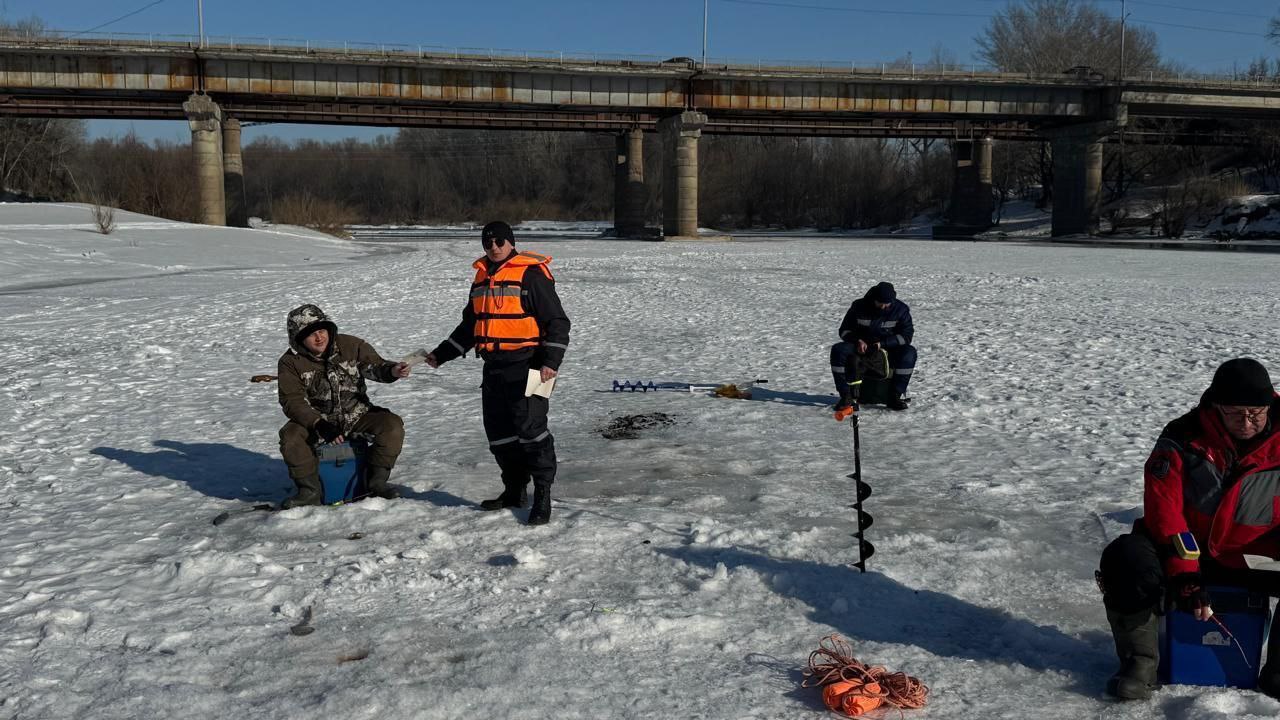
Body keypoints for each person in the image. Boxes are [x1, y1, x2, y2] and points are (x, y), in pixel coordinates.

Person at [1096, 358, 1280, 700]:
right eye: (1235, 412)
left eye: (1256, 412)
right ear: (1216, 406)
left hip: (1253, 558)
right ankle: (1140, 665)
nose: (1246, 422)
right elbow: (1165, 513)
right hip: (1186, 553)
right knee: (1126, 557)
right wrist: (1186, 575)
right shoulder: (1182, 437)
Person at [425, 221, 570, 526]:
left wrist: (550, 363)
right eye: (487, 242)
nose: (493, 246)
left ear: (511, 241)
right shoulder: (481, 279)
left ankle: (542, 494)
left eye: (499, 241)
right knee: (500, 434)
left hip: (531, 366)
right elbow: (470, 328)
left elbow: (558, 323)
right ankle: (514, 490)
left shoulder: (531, 273)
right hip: (494, 368)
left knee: (532, 431)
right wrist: (441, 355)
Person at [277, 304, 410, 508]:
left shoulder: (351, 345)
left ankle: (376, 481)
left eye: (322, 331)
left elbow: (375, 366)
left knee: (391, 426)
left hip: (357, 414)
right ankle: (309, 491)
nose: (319, 338)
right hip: (317, 420)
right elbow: (291, 401)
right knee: (291, 437)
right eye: (311, 335)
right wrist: (318, 423)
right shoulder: (290, 363)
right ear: (299, 339)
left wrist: (392, 371)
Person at [829, 281, 916, 419]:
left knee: (909, 353)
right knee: (838, 350)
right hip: (860, 347)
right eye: (880, 302)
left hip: (888, 349)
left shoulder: (901, 309)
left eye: (887, 303)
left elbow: (907, 336)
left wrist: (883, 343)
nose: (883, 306)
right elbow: (844, 331)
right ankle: (846, 396)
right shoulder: (858, 306)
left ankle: (894, 396)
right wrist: (857, 340)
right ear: (873, 298)